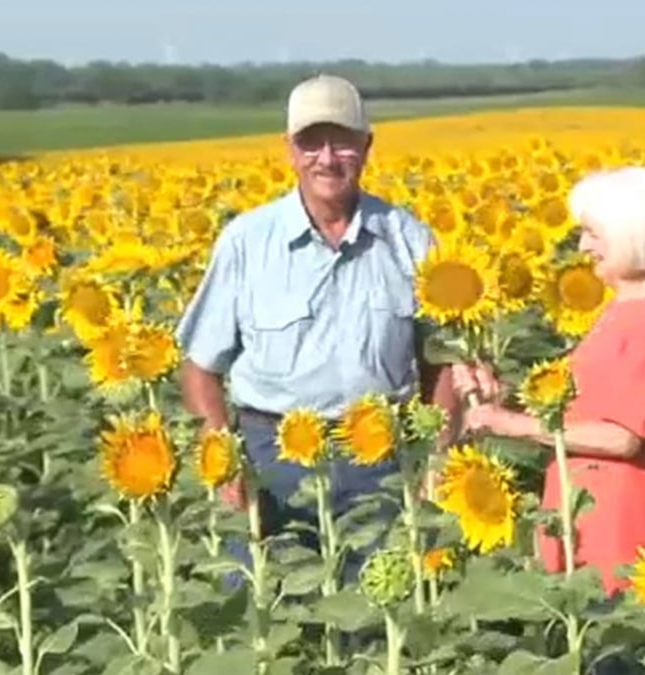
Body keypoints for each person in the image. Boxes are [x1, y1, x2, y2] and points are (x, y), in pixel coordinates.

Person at [174, 74, 458, 588]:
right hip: (269, 458)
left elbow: (440, 362)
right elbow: (200, 367)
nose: (327, 158)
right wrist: (219, 450)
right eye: (311, 142)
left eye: (342, 140)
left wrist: (437, 459)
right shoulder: (248, 241)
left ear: (367, 146)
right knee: (266, 611)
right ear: (289, 150)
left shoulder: (407, 238)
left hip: (380, 458)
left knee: (378, 619)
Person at [451, 166, 645, 598]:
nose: (583, 246)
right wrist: (504, 400)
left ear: (631, 233)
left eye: (594, 234)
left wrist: (512, 426)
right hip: (586, 513)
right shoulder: (629, 307)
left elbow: (623, 436)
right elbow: (589, 403)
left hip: (619, 527)